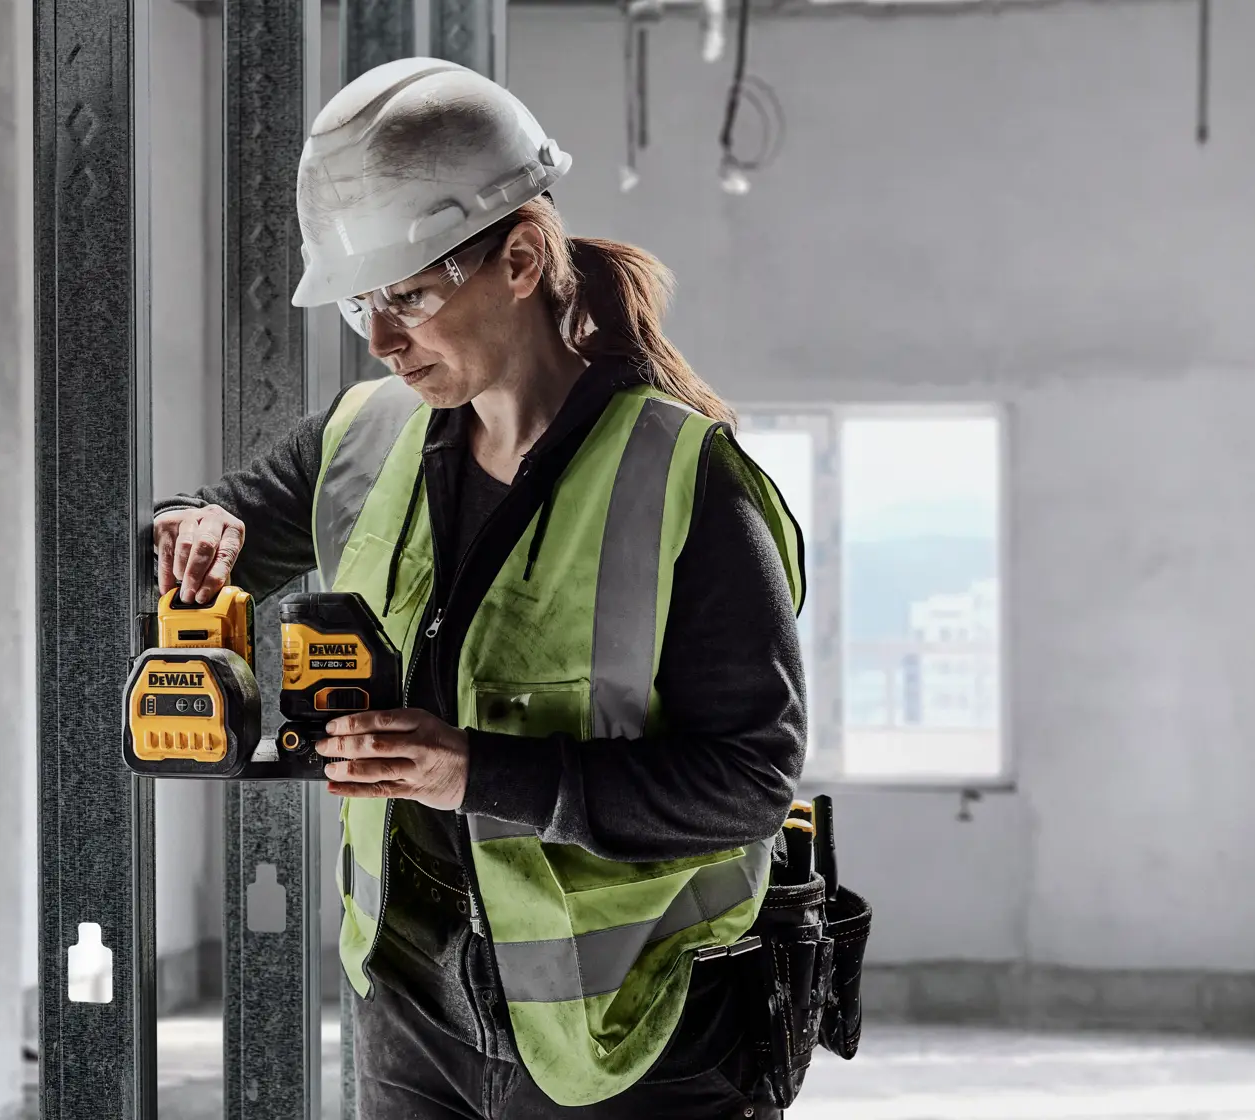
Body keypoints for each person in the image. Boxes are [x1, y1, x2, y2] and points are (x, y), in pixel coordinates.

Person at [155, 57, 806, 1120]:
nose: (379, 338)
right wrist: (188, 526)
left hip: (632, 1031)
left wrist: (482, 772)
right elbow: (184, 543)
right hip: (410, 1005)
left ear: (519, 258)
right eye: (367, 300)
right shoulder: (363, 439)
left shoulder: (684, 478)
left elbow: (748, 783)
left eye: (409, 295)